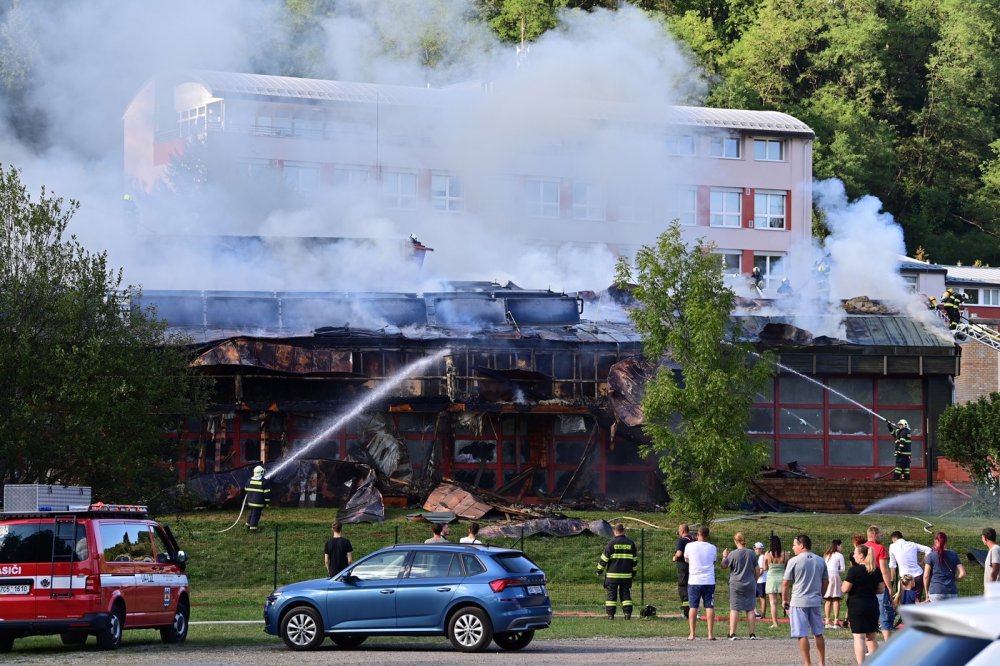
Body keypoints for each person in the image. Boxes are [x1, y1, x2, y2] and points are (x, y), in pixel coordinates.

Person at [782, 534, 828, 666]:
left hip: (798, 601)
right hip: (815, 600)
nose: (793, 547)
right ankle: (821, 662)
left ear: (801, 545)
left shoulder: (794, 561)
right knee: (818, 633)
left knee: (802, 634)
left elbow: (785, 583)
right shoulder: (820, 560)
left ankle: (807, 663)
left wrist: (784, 600)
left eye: (794, 544)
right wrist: (821, 595)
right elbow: (826, 581)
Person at [843, 543, 884, 666]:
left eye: (855, 553)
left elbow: (845, 588)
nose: (853, 555)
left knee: (859, 637)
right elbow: (881, 589)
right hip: (872, 605)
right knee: (871, 637)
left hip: (857, 605)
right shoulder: (875, 570)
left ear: (861, 555)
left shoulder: (854, 570)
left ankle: (861, 663)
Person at [596, 523, 638, 620]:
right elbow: (634, 561)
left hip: (612, 576)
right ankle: (627, 614)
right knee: (626, 594)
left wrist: (599, 570)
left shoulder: (611, 544)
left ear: (614, 531)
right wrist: (633, 572)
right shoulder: (630, 543)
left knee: (611, 595)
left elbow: (604, 559)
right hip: (626, 576)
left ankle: (611, 615)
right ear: (623, 531)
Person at [722, 532, 759, 640]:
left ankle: (732, 633)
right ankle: (752, 634)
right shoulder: (751, 553)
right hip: (750, 582)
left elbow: (723, 566)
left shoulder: (733, 554)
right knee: (750, 608)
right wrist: (755, 581)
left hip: (736, 583)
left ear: (735, 541)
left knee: (735, 608)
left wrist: (724, 556)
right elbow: (757, 569)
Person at [684, 525, 718, 640]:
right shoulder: (713, 547)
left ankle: (692, 634)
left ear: (697, 534)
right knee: (709, 606)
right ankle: (710, 634)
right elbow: (713, 562)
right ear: (708, 535)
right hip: (709, 580)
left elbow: (686, 559)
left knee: (693, 607)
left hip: (694, 580)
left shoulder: (689, 546)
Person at [863, 525, 894, 641]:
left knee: (868, 616)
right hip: (879, 586)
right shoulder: (880, 548)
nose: (882, 536)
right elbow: (884, 571)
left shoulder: (861, 548)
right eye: (880, 534)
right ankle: (888, 646)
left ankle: (868, 646)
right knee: (884, 615)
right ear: (874, 535)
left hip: (864, 587)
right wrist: (889, 587)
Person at [923, 530, 965, 602]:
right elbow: (963, 573)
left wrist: (926, 593)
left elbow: (926, 576)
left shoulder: (931, 556)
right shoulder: (954, 554)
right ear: (946, 542)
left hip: (936, 591)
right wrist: (955, 578)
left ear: (935, 542)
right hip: (951, 591)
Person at [888, 530, 930, 601]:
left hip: (905, 578)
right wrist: (922, 562)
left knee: (905, 600)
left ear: (894, 538)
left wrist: (892, 580)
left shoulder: (892, 546)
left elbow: (892, 565)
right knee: (917, 600)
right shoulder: (912, 544)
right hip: (918, 575)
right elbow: (928, 549)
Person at [764, 535, 788, 629]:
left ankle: (775, 623)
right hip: (782, 578)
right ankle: (794, 621)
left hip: (772, 579)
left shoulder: (768, 554)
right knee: (785, 602)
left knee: (773, 603)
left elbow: (765, 568)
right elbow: (786, 567)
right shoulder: (785, 554)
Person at [822, 539, 845, 629]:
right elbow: (842, 569)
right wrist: (837, 569)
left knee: (828, 599)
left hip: (826, 577)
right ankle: (836, 621)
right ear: (838, 545)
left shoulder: (826, 555)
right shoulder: (839, 555)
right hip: (835, 576)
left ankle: (827, 621)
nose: (841, 547)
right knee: (836, 598)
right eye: (841, 545)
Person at [673, 523, 694, 618]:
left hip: (683, 567)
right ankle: (693, 609)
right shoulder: (693, 540)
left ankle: (686, 611)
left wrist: (674, 557)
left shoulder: (682, 541)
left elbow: (679, 553)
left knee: (683, 587)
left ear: (682, 531)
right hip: (693, 567)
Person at [244, 465, 270, 531]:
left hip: (250, 502)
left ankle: (248, 525)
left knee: (252, 513)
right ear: (262, 472)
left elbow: (246, 489)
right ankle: (253, 529)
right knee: (256, 515)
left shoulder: (249, 480)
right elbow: (267, 494)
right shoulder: (264, 481)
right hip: (259, 503)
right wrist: (267, 503)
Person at [754, 541, 768, 619]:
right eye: (755, 549)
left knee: (762, 598)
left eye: (756, 549)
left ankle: (763, 615)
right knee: (754, 596)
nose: (755, 550)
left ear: (760, 549)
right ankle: (756, 613)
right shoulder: (760, 557)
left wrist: (756, 577)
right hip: (760, 580)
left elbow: (761, 570)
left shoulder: (762, 557)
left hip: (762, 580)